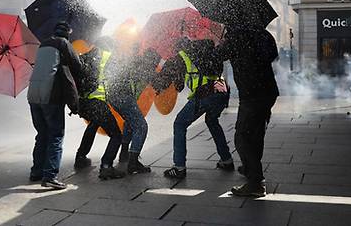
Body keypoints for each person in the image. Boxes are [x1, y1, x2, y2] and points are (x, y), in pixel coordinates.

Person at [151, 39, 233, 180]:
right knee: (212, 121)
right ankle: (226, 160)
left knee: (179, 124)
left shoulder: (181, 57)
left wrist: (152, 77)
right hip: (222, 91)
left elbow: (162, 81)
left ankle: (179, 167)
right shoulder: (206, 51)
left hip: (205, 93)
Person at [216, 27, 279, 197]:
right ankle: (250, 167)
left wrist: (220, 42)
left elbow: (217, 56)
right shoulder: (262, 32)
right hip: (267, 91)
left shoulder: (237, 34)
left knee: (243, 137)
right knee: (256, 133)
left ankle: (255, 182)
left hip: (252, 93)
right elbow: (273, 54)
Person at [27, 21, 82, 190]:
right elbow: (77, 66)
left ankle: (37, 171)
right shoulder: (63, 43)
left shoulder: (43, 45)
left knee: (42, 134)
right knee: (56, 136)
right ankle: (50, 176)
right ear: (67, 34)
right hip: (50, 96)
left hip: (33, 95)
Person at [74, 38, 126, 180]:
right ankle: (106, 166)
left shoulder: (84, 56)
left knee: (93, 124)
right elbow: (120, 79)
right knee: (116, 135)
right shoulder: (107, 57)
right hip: (97, 104)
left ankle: (80, 156)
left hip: (82, 104)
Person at [106, 45, 161, 175]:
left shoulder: (137, 62)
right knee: (141, 126)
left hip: (114, 96)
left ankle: (124, 154)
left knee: (130, 122)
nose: (155, 66)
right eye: (155, 64)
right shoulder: (146, 67)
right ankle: (133, 163)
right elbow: (158, 81)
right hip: (123, 96)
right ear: (152, 62)